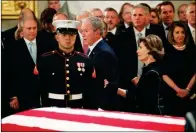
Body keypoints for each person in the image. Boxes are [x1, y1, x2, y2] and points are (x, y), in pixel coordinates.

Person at [37, 20, 96, 109]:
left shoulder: (85, 60)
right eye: (64, 35)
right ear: (57, 37)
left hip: (78, 108)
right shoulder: (46, 59)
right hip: (53, 108)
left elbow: (90, 90)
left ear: (76, 37)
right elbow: (40, 87)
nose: (68, 38)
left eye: (71, 35)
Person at [117, 34, 165, 115]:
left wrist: (115, 90)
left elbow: (139, 100)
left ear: (150, 49)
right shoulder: (151, 71)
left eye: (140, 47)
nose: (137, 51)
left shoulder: (152, 74)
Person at [81, 16, 119, 111]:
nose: (82, 34)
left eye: (86, 31)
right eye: (82, 31)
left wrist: (102, 108)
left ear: (97, 32)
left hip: (99, 107)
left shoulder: (103, 52)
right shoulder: (93, 48)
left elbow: (107, 84)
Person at [162, 22, 196, 117]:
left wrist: (187, 89)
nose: (180, 35)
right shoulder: (165, 50)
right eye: (177, 32)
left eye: (183, 32)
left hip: (190, 93)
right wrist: (178, 90)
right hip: (171, 94)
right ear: (172, 34)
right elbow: (163, 74)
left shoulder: (193, 49)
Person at [9, 18, 41, 112]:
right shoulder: (13, 48)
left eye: (34, 28)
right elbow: (8, 73)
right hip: (22, 96)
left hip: (41, 95)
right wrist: (13, 96)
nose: (32, 31)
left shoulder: (45, 44)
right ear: (22, 30)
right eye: (29, 28)